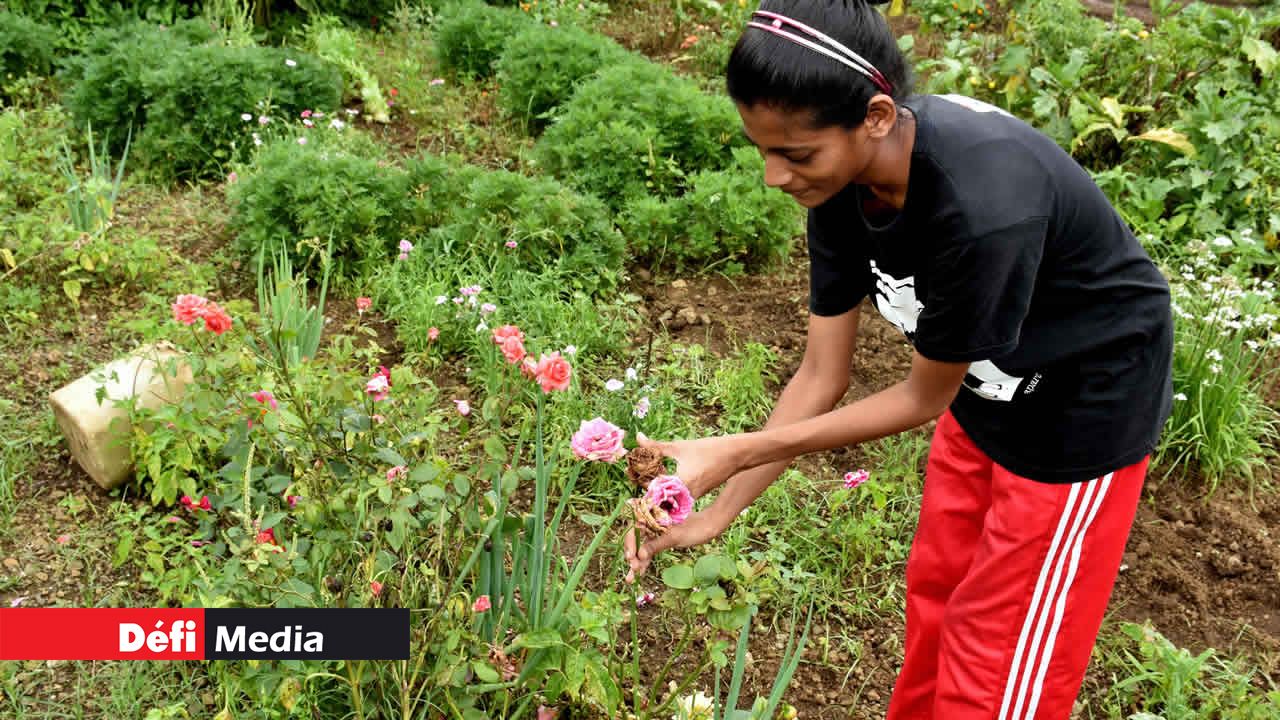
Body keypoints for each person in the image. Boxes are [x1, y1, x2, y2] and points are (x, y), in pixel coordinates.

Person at [622, 1, 1174, 718]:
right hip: (986, 388)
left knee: (998, 661)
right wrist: (719, 512)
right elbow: (823, 374)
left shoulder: (982, 210)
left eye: (794, 154)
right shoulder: (842, 185)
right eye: (763, 150)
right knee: (938, 597)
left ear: (877, 117)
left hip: (1080, 411)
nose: (773, 177)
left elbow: (920, 399)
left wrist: (732, 451)